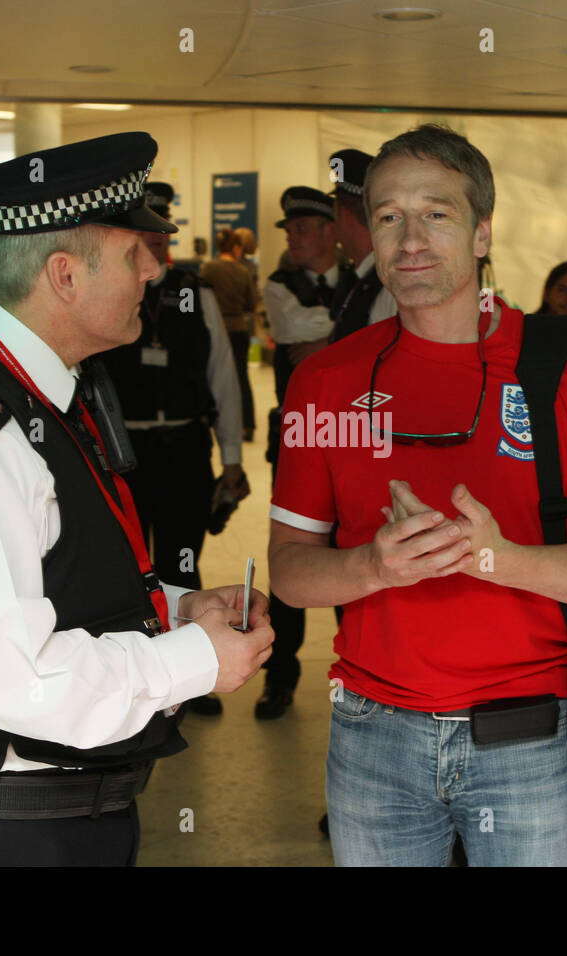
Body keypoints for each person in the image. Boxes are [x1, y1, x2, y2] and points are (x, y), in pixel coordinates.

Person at [0, 132, 274, 866]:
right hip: (7, 831)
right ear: (65, 275)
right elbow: (3, 675)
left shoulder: (42, 392)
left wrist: (178, 610)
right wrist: (192, 661)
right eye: (132, 253)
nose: (153, 270)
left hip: (68, 816)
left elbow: (59, 582)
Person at [268, 124, 567, 866]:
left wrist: (497, 559)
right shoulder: (324, 380)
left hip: (531, 736)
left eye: (438, 213)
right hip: (372, 734)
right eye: (389, 216)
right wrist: (374, 568)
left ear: (483, 231)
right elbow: (291, 573)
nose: (411, 238)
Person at [95, 182, 249, 718]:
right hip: (123, 450)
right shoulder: (107, 292)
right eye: (145, 237)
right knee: (129, 565)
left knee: (182, 560)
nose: (156, 249)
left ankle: (198, 672)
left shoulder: (194, 292)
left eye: (163, 237)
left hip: (184, 445)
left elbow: (222, 378)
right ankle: (147, 676)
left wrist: (231, 456)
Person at [258, 186, 341, 719]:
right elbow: (294, 329)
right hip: (299, 441)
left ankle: (358, 667)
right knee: (293, 556)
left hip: (360, 441)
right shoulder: (278, 284)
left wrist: (330, 341)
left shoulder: (368, 281)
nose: (292, 237)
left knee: (355, 552)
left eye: (303, 227)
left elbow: (386, 330)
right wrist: (353, 334)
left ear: (332, 230)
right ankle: (279, 675)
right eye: (289, 229)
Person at [327, 148, 399, 344]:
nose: (334, 227)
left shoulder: (391, 284)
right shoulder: (366, 276)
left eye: (335, 216)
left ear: (347, 217)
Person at [200, 227, 260, 441]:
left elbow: (191, 296)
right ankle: (247, 425)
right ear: (235, 247)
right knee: (241, 378)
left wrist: (185, 311)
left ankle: (212, 422)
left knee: (213, 377)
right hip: (238, 329)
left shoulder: (208, 268)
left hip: (215, 330)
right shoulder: (243, 271)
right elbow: (252, 303)